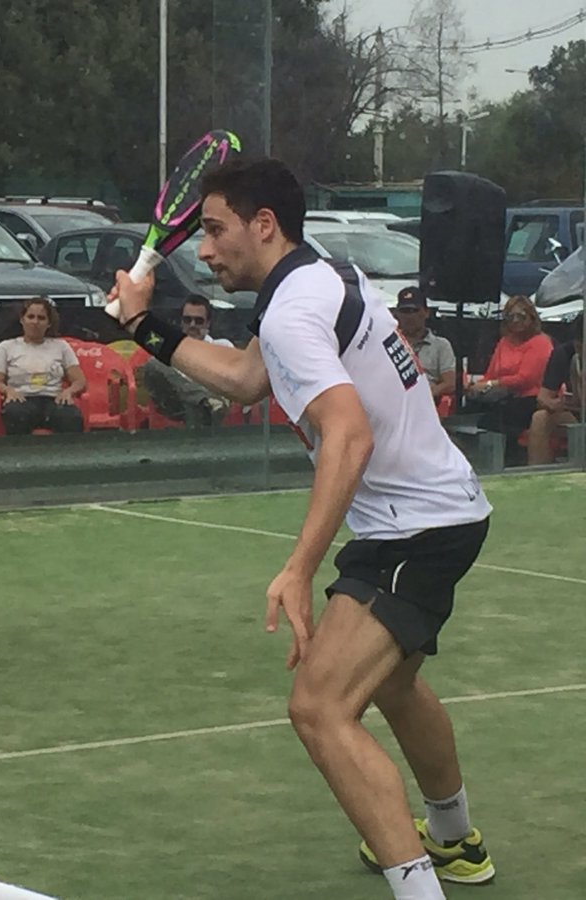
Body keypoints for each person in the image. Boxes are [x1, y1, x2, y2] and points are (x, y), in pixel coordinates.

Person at [108, 157, 494, 900]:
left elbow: (348, 436)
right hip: (441, 512)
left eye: (215, 230)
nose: (204, 250)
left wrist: (299, 568)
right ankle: (454, 840)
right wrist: (139, 325)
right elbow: (246, 380)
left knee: (319, 709)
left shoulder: (290, 312)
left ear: (263, 225)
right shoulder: (321, 275)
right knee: (395, 682)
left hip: (415, 529)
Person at [464, 295, 553, 466]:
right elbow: (490, 374)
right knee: (473, 410)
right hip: (505, 397)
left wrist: (492, 384)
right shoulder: (504, 342)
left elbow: (525, 379)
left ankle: (509, 462)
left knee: (497, 420)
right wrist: (476, 386)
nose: (515, 321)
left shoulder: (540, 342)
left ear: (532, 318)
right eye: (511, 316)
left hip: (533, 398)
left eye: (521, 316)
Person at [0, 297, 86, 434]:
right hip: (21, 399)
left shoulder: (61, 346)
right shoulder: (6, 347)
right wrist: (8, 391)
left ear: (49, 323)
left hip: (53, 399)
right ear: (22, 319)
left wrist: (68, 392)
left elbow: (80, 381)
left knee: (71, 417)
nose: (35, 322)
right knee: (15, 414)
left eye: (41, 318)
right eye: (30, 317)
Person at [140, 295, 233, 426]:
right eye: (187, 320)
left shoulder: (222, 346)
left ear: (208, 323)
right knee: (153, 364)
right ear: (182, 322)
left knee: (198, 406)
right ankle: (204, 400)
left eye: (198, 321)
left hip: (216, 403)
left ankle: (205, 403)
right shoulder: (170, 348)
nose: (192, 325)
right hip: (179, 405)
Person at [527, 312, 583, 465]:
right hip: (577, 414)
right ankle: (539, 472)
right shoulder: (564, 354)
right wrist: (557, 404)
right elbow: (543, 397)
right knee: (540, 418)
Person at [392, 287, 456, 402]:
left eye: (414, 310)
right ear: (397, 314)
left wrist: (426, 394)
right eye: (404, 311)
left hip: (429, 401)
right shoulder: (391, 344)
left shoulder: (441, 345)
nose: (409, 316)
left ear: (426, 312)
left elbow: (450, 383)